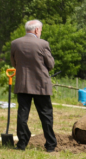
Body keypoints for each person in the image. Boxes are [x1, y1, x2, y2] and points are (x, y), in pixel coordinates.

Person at [10, 20, 57, 152]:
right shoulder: (43, 44)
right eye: (40, 30)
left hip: (23, 84)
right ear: (37, 30)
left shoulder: (15, 43)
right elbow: (51, 64)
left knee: (22, 115)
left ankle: (22, 143)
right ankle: (50, 145)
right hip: (41, 85)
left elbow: (14, 63)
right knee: (46, 115)